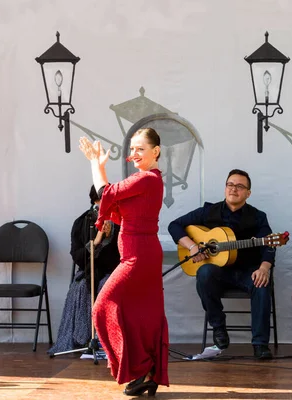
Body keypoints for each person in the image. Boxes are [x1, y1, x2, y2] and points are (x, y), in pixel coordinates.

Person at [78, 128, 168, 397]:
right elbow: (113, 205)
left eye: (140, 149)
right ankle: (147, 373)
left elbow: (106, 192)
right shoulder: (145, 182)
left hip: (138, 257)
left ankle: (141, 369)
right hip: (140, 254)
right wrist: (100, 168)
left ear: (156, 151)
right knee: (140, 316)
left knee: (103, 307)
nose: (134, 154)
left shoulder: (148, 180)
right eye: (132, 149)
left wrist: (95, 164)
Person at [168, 169, 275, 360]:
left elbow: (269, 244)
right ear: (225, 188)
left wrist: (264, 268)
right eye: (230, 185)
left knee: (261, 284)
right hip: (219, 274)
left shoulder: (258, 217)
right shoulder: (209, 211)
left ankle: (260, 344)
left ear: (248, 193)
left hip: (247, 272)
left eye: (240, 186)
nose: (234, 189)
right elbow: (174, 225)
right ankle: (218, 328)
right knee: (204, 272)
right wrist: (192, 247)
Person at [47, 186, 120, 356]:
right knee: (81, 288)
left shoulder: (120, 222)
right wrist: (97, 241)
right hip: (89, 271)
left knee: (106, 287)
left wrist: (110, 238)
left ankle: (108, 341)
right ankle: (86, 339)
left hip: (113, 270)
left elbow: (121, 254)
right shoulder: (82, 222)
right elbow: (78, 257)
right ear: (95, 201)